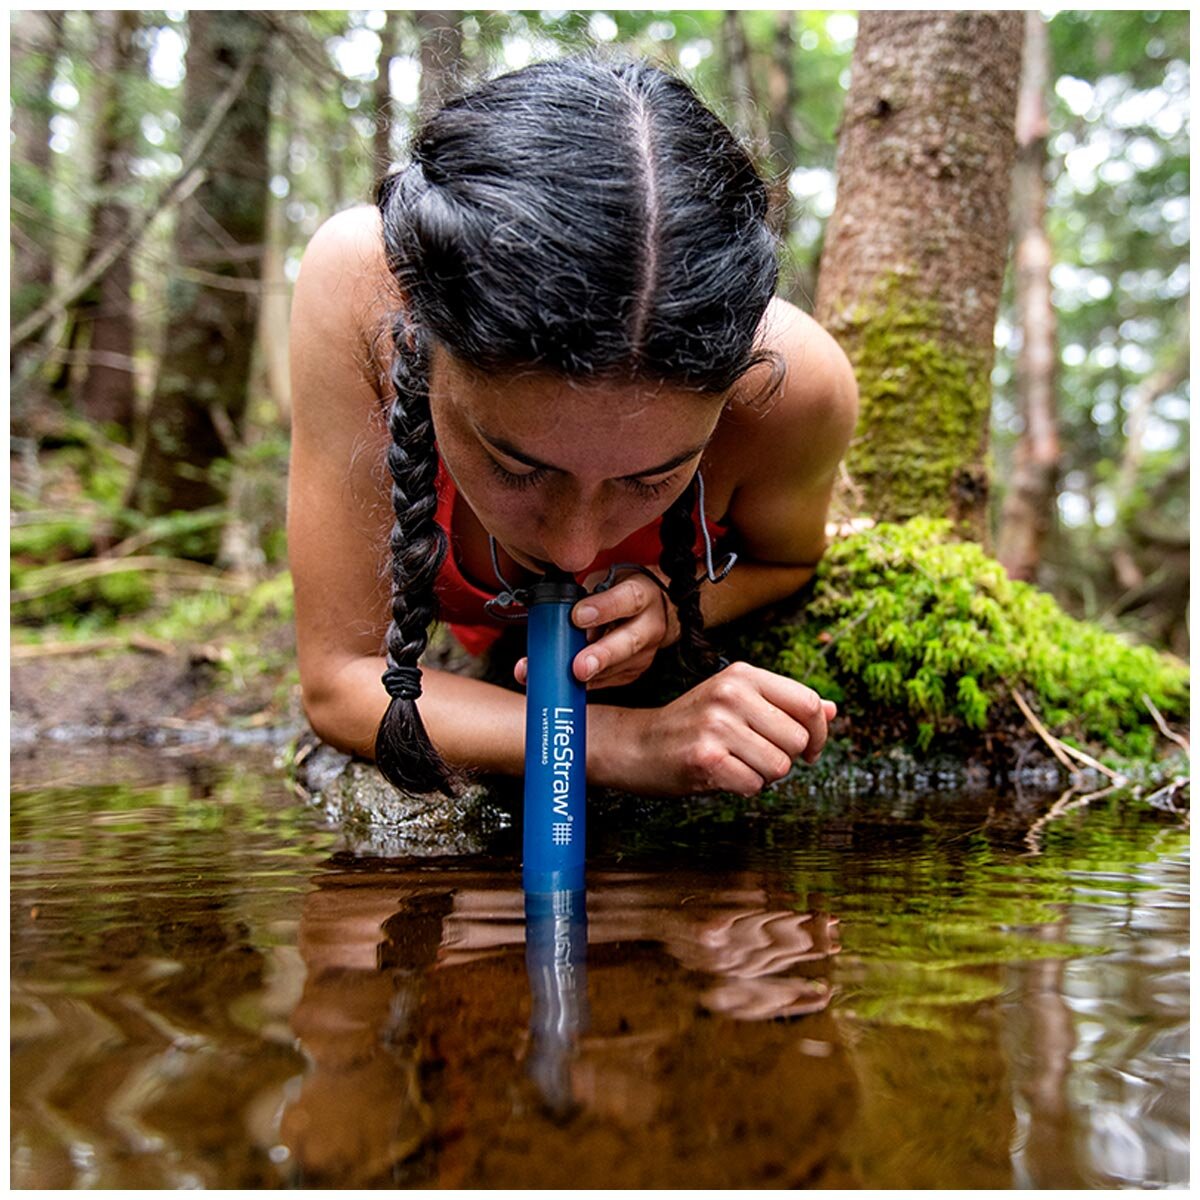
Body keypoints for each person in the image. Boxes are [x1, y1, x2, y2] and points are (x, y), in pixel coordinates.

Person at [287, 56, 857, 799]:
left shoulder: (794, 388)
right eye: (517, 467)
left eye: (650, 479)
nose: (573, 545)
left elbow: (785, 564)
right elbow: (340, 680)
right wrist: (622, 743)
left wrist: (674, 606)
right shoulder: (361, 294)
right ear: (424, 333)